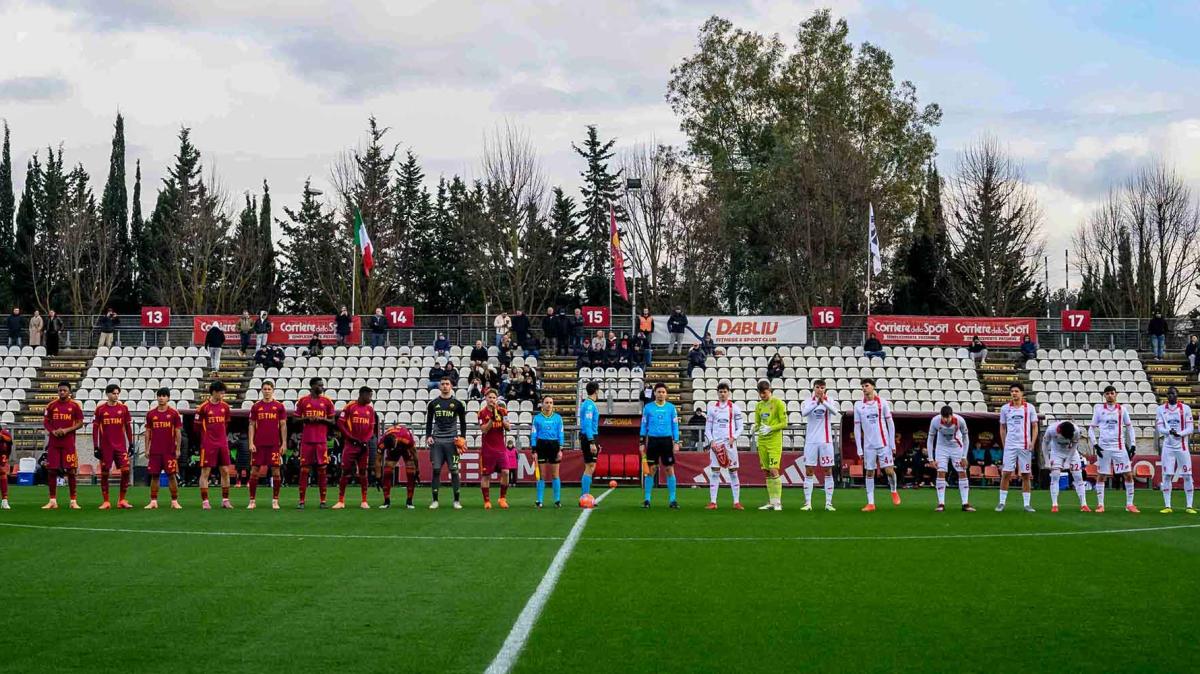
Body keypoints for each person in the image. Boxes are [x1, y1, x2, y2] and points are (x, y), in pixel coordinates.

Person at [1088, 385, 1139, 513]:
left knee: (1128, 474)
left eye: (1112, 393)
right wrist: (1095, 444)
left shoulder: (1122, 410)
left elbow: (1129, 427)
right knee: (1101, 475)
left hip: (1119, 446)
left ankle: (1129, 504)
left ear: (1116, 394)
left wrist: (1132, 444)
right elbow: (1091, 428)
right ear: (1104, 396)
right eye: (1107, 393)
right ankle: (1100, 505)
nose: (1110, 395)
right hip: (1104, 447)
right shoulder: (1099, 410)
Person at [854, 378, 899, 511]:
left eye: (866, 386)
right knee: (869, 472)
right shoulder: (858, 405)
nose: (864, 388)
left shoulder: (882, 403)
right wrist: (859, 448)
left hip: (883, 443)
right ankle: (871, 503)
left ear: (873, 387)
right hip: (869, 446)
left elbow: (890, 424)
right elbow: (857, 428)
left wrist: (892, 444)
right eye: (862, 386)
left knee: (889, 471)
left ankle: (894, 490)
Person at [425, 376, 467, 509]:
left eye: (447, 384)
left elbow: (463, 423)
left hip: (452, 442)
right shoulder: (433, 404)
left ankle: (456, 500)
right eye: (442, 384)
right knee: (436, 470)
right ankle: (435, 500)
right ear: (439, 386)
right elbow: (429, 422)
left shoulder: (458, 404)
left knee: (454, 471)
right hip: (437, 441)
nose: (444, 386)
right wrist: (428, 436)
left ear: (451, 386)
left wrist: (463, 437)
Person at [295, 377, 337, 509]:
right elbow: (295, 420)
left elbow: (333, 421)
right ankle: (301, 501)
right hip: (307, 441)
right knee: (304, 470)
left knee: (322, 470)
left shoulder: (327, 401)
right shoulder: (303, 401)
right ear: (312, 386)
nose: (322, 387)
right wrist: (306, 418)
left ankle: (323, 500)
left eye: (322, 385)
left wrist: (321, 419)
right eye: (319, 385)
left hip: (321, 441)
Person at [997, 383, 1038, 513]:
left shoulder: (1029, 408)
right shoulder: (1005, 409)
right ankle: (1001, 502)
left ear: (1022, 393)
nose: (1014, 393)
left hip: (1024, 445)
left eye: (1016, 391)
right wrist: (1005, 444)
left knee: (1026, 474)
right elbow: (1002, 428)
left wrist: (1033, 441)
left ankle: (1027, 504)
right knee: (1006, 473)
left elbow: (1035, 426)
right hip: (1010, 445)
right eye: (1012, 391)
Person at [42, 382, 84, 509]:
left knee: (71, 470)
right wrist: (52, 431)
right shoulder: (51, 406)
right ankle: (52, 500)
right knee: (52, 470)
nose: (62, 392)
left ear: (69, 392)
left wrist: (66, 430)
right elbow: (46, 422)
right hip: (54, 443)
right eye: (60, 390)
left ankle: (73, 501)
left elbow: (80, 423)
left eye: (64, 390)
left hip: (68, 442)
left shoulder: (75, 406)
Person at [92, 384, 134, 509]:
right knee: (105, 473)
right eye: (113, 393)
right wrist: (96, 446)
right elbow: (95, 429)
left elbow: (127, 427)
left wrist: (131, 443)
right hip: (106, 447)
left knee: (126, 471)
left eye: (117, 393)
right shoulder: (100, 409)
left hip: (120, 446)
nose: (116, 396)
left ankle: (122, 500)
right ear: (107, 394)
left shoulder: (123, 408)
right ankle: (106, 501)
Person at [704, 381, 745, 510]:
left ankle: (736, 502)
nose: (722, 394)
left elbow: (741, 427)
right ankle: (713, 502)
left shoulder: (734, 408)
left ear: (728, 393)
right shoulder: (712, 409)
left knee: (733, 472)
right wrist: (712, 441)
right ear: (717, 393)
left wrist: (734, 438)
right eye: (720, 392)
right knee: (715, 472)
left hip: (729, 445)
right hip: (716, 445)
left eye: (724, 391)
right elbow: (707, 429)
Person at [247, 381, 287, 510]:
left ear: (273, 390)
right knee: (254, 472)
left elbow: (283, 425)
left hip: (274, 444)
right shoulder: (256, 406)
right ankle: (252, 500)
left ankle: (275, 500)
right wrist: (251, 442)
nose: (267, 391)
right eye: (265, 389)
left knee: (276, 472)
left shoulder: (279, 406)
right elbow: (252, 425)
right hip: (258, 444)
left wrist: (284, 443)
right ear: (261, 390)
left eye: (269, 389)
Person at [640, 383, 681, 509]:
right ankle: (647, 499)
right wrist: (642, 442)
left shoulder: (671, 408)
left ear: (666, 394)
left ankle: (673, 500)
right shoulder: (648, 408)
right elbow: (643, 425)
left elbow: (675, 426)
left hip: (667, 442)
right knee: (651, 470)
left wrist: (676, 442)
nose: (661, 394)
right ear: (655, 393)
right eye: (659, 392)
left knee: (669, 469)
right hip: (653, 441)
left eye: (663, 392)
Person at [335, 386, 376, 509]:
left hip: (363, 446)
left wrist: (365, 441)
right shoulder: (350, 407)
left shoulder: (370, 410)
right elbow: (340, 424)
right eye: (369, 396)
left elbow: (371, 429)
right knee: (345, 472)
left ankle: (364, 500)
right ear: (362, 394)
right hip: (350, 445)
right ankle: (341, 501)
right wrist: (351, 438)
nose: (370, 398)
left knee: (363, 472)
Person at [1156, 386, 1196, 514]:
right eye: (1168, 394)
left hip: (1182, 446)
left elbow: (1190, 428)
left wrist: (1180, 433)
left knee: (1187, 475)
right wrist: (1168, 431)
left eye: (1172, 393)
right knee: (1167, 475)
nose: (1170, 396)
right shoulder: (1160, 409)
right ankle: (1168, 506)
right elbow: (1159, 427)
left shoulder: (1186, 409)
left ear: (1177, 395)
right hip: (1168, 446)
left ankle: (1189, 506)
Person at [927, 405, 974, 512]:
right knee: (941, 472)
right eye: (944, 417)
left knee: (962, 472)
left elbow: (966, 438)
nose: (945, 420)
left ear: (951, 415)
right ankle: (941, 504)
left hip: (957, 447)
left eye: (947, 417)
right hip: (941, 448)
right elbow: (930, 439)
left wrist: (964, 456)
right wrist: (930, 458)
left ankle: (965, 504)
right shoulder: (935, 421)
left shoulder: (960, 421)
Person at [195, 382, 234, 509]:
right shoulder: (203, 407)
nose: (223, 395)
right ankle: (205, 501)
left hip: (222, 443)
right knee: (205, 471)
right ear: (214, 392)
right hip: (208, 444)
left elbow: (226, 424)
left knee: (225, 471)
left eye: (223, 392)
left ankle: (225, 500)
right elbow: (196, 427)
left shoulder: (225, 407)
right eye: (221, 392)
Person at [800, 379, 839, 511]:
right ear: (814, 388)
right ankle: (808, 503)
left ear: (825, 389)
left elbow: (834, 411)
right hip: (811, 441)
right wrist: (817, 402)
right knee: (809, 470)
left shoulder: (830, 400)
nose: (820, 390)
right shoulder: (807, 401)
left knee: (828, 470)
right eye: (817, 387)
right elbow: (804, 413)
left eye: (822, 388)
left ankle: (828, 503)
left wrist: (824, 402)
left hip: (826, 441)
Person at [752, 380, 788, 511]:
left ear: (770, 391)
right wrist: (754, 428)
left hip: (774, 442)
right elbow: (757, 423)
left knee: (773, 469)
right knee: (766, 471)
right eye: (760, 394)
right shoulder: (759, 406)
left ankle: (778, 502)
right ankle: (771, 501)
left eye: (764, 393)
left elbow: (784, 423)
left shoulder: (778, 403)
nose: (762, 396)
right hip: (762, 441)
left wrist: (771, 428)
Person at [144, 388, 183, 510]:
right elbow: (148, 432)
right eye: (159, 396)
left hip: (169, 451)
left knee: (171, 475)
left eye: (164, 396)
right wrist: (146, 449)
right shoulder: (151, 414)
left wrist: (178, 449)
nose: (161, 398)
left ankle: (174, 501)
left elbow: (178, 432)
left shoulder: (173, 413)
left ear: (168, 398)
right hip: (155, 451)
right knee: (154, 476)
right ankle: (153, 501)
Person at [1042, 420, 1089, 513]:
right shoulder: (1051, 429)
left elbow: (1075, 446)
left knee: (1078, 477)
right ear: (1059, 431)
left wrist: (1068, 461)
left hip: (1071, 453)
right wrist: (1047, 461)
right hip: (1056, 452)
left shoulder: (1076, 431)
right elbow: (1044, 444)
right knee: (1055, 476)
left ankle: (1084, 504)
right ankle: (1054, 505)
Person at [478, 389, 512, 509]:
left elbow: (508, 428)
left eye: (494, 397)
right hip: (488, 449)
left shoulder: (503, 410)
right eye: (489, 397)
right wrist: (492, 419)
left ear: (496, 399)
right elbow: (484, 430)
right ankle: (487, 501)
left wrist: (503, 419)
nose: (492, 399)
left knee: (506, 472)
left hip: (501, 448)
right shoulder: (482, 413)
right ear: (486, 398)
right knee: (486, 475)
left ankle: (502, 498)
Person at [378, 422, 418, 509]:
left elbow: (414, 453)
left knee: (411, 473)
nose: (391, 449)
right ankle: (386, 501)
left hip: (405, 448)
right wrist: (378, 476)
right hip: (394, 449)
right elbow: (378, 459)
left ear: (395, 440)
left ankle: (409, 501)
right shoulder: (383, 441)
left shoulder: (406, 439)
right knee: (387, 472)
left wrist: (417, 470)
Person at [579, 382, 602, 501]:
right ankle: (585, 496)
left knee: (591, 466)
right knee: (590, 466)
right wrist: (592, 442)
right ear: (596, 391)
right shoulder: (589, 405)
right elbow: (587, 425)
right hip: (589, 436)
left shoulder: (588, 404)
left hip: (591, 436)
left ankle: (585, 495)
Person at [0, 422, 11, 509]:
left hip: (2, 456)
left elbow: (9, 443)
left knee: (2, 474)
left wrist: (6, 457)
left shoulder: (4, 434)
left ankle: (4, 500)